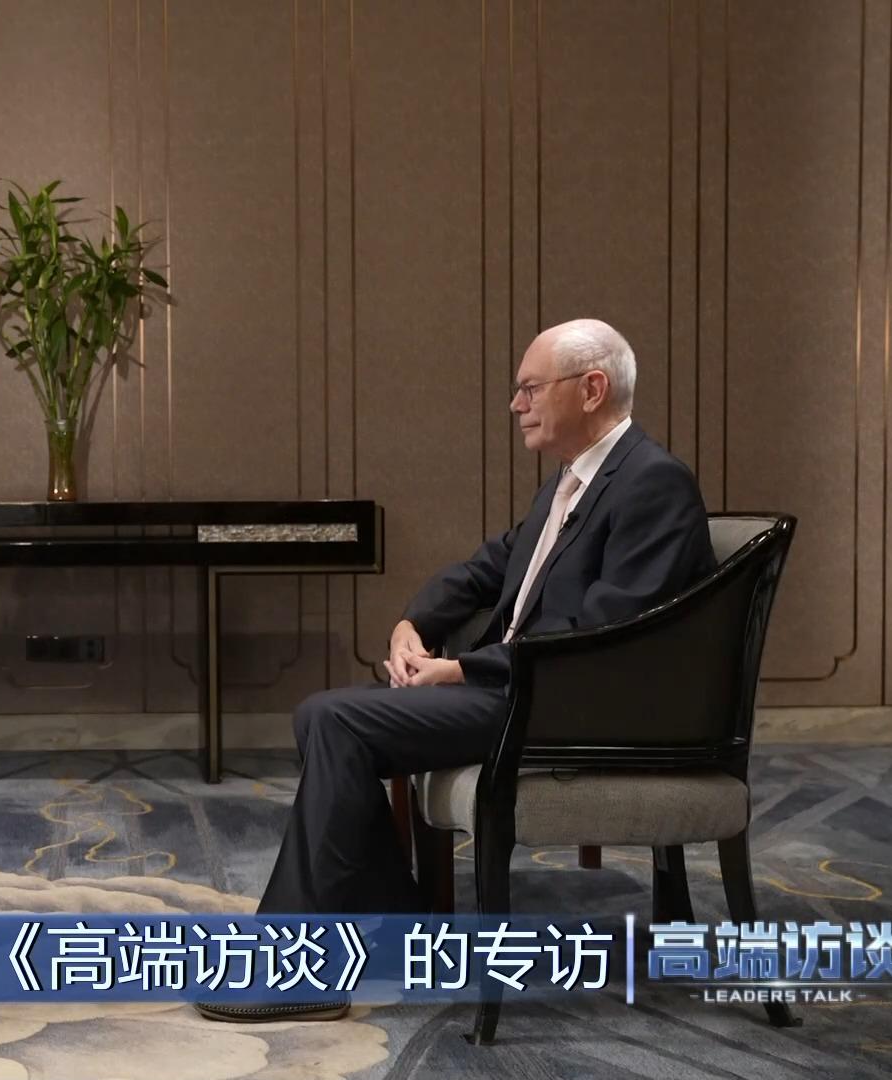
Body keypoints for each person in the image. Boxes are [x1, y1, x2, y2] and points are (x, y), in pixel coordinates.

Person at [199, 318, 715, 1024]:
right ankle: (395, 926)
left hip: (569, 704)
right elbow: (484, 570)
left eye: (531, 388)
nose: (516, 404)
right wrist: (413, 624)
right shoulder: (571, 482)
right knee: (324, 717)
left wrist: (461, 671)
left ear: (592, 389)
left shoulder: (653, 484)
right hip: (522, 687)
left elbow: (600, 637)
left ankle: (301, 965)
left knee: (335, 720)